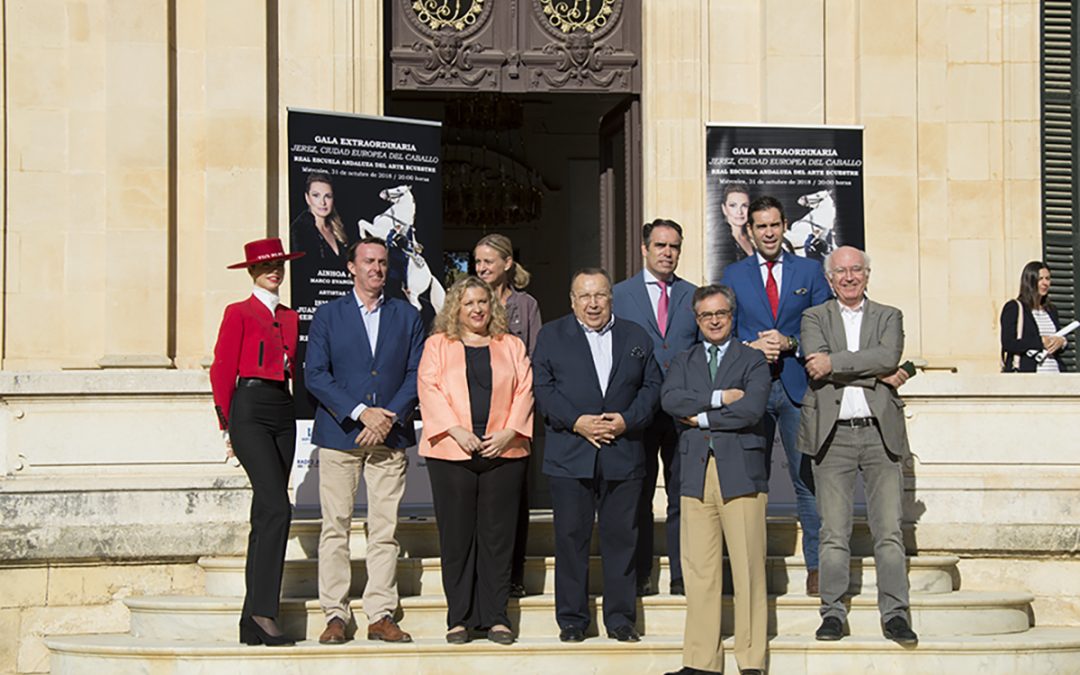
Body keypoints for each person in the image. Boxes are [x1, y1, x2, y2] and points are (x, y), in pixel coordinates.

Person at [304, 236, 426, 645]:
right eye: (368, 261)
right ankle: (336, 615)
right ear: (351, 268)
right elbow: (316, 374)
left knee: (384, 530)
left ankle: (380, 614)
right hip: (341, 434)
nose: (376, 268)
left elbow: (416, 373)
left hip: (389, 436)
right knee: (334, 527)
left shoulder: (407, 316)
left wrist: (386, 416)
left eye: (382, 262)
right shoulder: (328, 315)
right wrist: (361, 413)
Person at [532, 268, 663, 643]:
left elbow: (652, 388)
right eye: (584, 296)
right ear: (572, 300)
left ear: (611, 298)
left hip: (623, 453)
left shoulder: (635, 336)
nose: (593, 303)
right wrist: (577, 422)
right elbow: (544, 389)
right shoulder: (551, 336)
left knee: (621, 539)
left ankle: (620, 619)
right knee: (570, 539)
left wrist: (626, 421)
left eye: (600, 295)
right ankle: (572, 620)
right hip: (571, 455)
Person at [798, 245, 918, 645]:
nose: (849, 278)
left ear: (868, 274)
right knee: (834, 533)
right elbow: (816, 364)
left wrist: (839, 364)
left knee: (889, 532)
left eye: (856, 271)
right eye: (841, 272)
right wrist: (875, 372)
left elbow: (888, 355)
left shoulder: (889, 315)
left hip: (878, 433)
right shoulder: (814, 316)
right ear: (829, 279)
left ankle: (896, 614)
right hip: (833, 435)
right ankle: (832, 611)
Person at [720, 195, 832, 596]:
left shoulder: (811, 271)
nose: (768, 233)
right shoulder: (733, 275)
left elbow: (826, 327)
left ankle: (817, 566)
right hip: (752, 389)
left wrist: (790, 341)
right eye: (760, 226)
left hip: (797, 389)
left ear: (785, 225)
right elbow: (721, 331)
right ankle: (746, 568)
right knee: (750, 480)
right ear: (749, 230)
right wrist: (750, 348)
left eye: (774, 225)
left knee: (807, 479)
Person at [417, 276, 534, 645]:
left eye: (483, 302)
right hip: (452, 452)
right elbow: (429, 388)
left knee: (498, 537)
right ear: (456, 308)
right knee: (457, 537)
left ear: (493, 305)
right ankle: (460, 618)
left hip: (505, 450)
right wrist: (455, 430)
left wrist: (509, 432)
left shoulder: (511, 345)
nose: (477, 309)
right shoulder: (438, 345)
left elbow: (525, 390)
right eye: (469, 303)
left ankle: (496, 617)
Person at [661, 284, 770, 675]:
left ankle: (751, 659)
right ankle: (701, 661)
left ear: (732, 314)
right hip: (694, 471)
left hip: (740, 471)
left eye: (720, 313)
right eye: (706, 315)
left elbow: (753, 409)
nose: (714, 321)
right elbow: (671, 401)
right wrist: (721, 397)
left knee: (748, 567)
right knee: (700, 569)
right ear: (697, 319)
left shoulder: (752, 360)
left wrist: (702, 415)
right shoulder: (684, 359)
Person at [209, 237, 304, 646]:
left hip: (283, 408)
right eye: (267, 266)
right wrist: (227, 425)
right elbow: (221, 369)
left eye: (279, 264)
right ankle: (265, 611)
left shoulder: (290, 316)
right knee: (279, 508)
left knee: (266, 513)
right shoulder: (238, 312)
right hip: (249, 407)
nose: (275, 271)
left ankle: (251, 621)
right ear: (251, 271)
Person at [612, 218, 698, 596]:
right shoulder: (619, 294)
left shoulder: (694, 296)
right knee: (639, 494)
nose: (667, 253)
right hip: (638, 409)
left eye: (674, 246)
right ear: (644, 248)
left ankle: (682, 574)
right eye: (661, 245)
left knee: (683, 495)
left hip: (683, 412)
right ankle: (641, 573)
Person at [473, 233, 542, 598]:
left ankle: (514, 574)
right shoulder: (469, 299)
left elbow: (533, 359)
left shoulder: (525, 305)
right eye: (478, 261)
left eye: (488, 261)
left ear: (507, 263)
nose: (482, 268)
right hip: (475, 415)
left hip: (514, 416)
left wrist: (516, 420)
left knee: (515, 499)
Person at [1000, 260, 1067, 372]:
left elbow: (1058, 337)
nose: (1045, 283)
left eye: (1048, 278)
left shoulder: (1051, 310)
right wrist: (1040, 342)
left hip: (1054, 373)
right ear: (1030, 281)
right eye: (1040, 279)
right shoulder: (1014, 308)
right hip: (1029, 375)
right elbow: (1008, 343)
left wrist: (1062, 342)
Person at [290, 172, 351, 273]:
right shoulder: (299, 230)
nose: (322, 202)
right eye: (316, 195)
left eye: (328, 196)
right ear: (307, 198)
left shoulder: (339, 229)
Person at [721, 182, 754, 261]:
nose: (739, 212)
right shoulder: (721, 242)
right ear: (724, 209)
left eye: (744, 206)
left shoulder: (753, 239)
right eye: (733, 205)